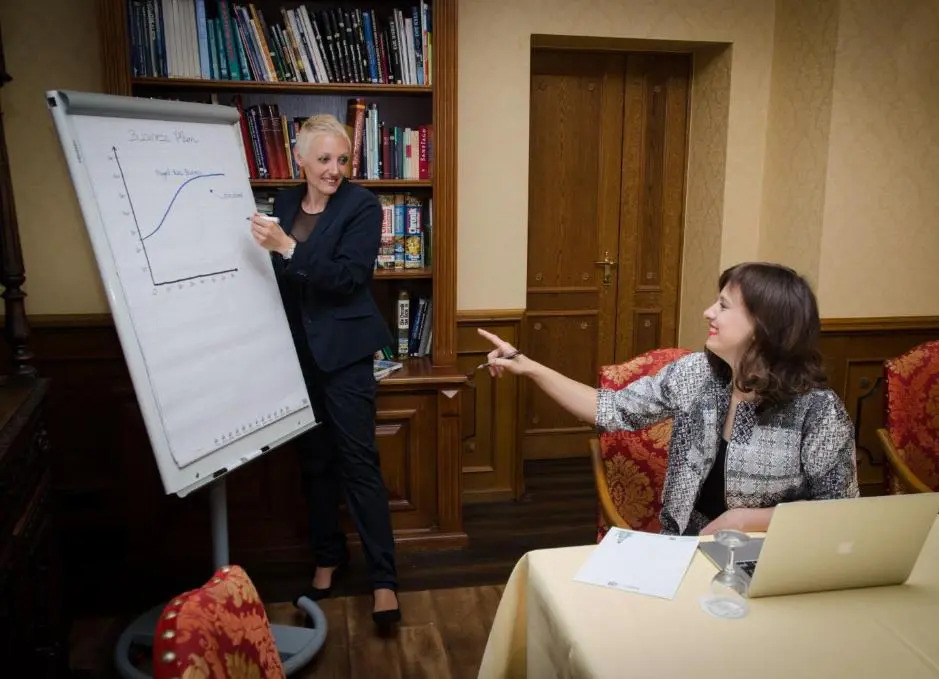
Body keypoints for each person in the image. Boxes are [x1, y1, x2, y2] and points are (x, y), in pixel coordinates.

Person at [478, 262, 858, 536]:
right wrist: (528, 366)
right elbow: (608, 409)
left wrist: (744, 520)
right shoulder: (697, 374)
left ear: (764, 326)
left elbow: (838, 510)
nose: (708, 312)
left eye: (724, 306)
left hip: (771, 561)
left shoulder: (818, 410)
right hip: (686, 550)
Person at [250, 114, 400, 631]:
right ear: (300, 159)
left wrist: (288, 248)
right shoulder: (285, 203)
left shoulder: (363, 206)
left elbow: (348, 278)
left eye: (342, 159)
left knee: (359, 465)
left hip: (346, 355)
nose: (334, 169)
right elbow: (279, 280)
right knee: (314, 464)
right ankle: (328, 558)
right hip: (296, 355)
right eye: (323, 159)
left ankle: (384, 579)